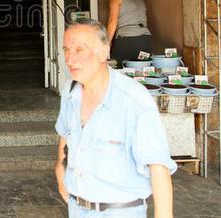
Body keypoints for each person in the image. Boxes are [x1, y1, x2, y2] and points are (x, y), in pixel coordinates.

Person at [55, 19, 175, 218]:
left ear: (104, 51)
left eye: (79, 50)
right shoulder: (70, 91)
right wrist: (61, 172)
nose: (69, 58)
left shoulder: (134, 99)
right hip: (77, 209)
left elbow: (158, 167)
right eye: (66, 49)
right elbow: (65, 134)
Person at [104, 0, 152, 64]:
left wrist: (107, 42)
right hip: (145, 39)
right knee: (140, 70)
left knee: (118, 68)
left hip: (127, 40)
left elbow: (112, 21)